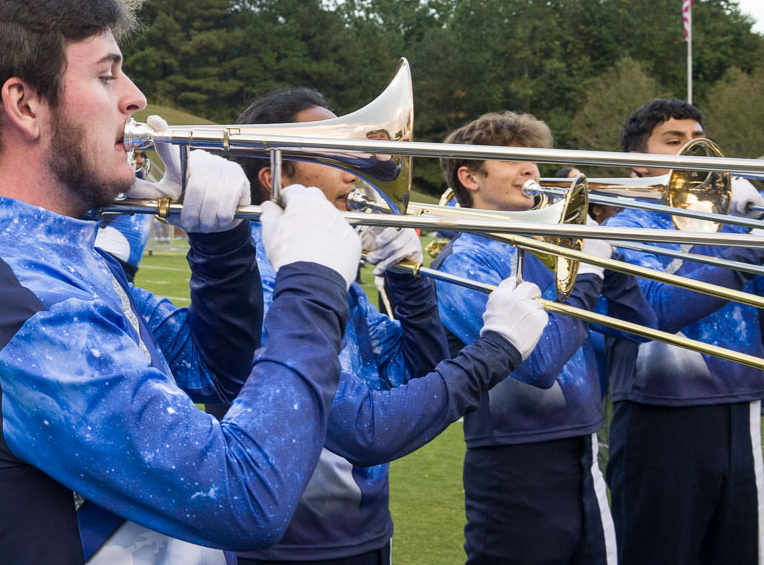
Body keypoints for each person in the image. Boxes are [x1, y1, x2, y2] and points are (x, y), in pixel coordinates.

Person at [0, 0, 413, 563]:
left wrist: (220, 246)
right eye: (107, 74)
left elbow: (219, 375)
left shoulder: (57, 258)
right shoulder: (25, 303)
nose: (136, 97)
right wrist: (313, 283)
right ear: (24, 104)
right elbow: (246, 497)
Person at [224, 88, 550, 565]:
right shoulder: (258, 278)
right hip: (291, 547)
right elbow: (368, 430)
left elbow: (414, 371)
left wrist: (407, 280)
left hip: (364, 531)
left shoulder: (321, 267)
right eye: (334, 153)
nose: (356, 167)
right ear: (276, 179)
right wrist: (496, 348)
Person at [435, 111, 655, 565]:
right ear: (468, 177)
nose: (531, 171)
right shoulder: (463, 261)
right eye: (515, 161)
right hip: (513, 463)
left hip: (583, 449)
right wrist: (588, 275)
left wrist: (609, 263)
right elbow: (537, 366)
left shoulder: (546, 248)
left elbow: (640, 326)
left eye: (534, 160)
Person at [603, 99, 764, 565]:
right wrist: (745, 244)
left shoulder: (736, 222)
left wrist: (763, 220)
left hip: (740, 408)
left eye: (697, 142)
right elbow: (655, 310)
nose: (691, 151)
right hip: (659, 414)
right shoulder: (625, 225)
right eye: (674, 142)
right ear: (638, 165)